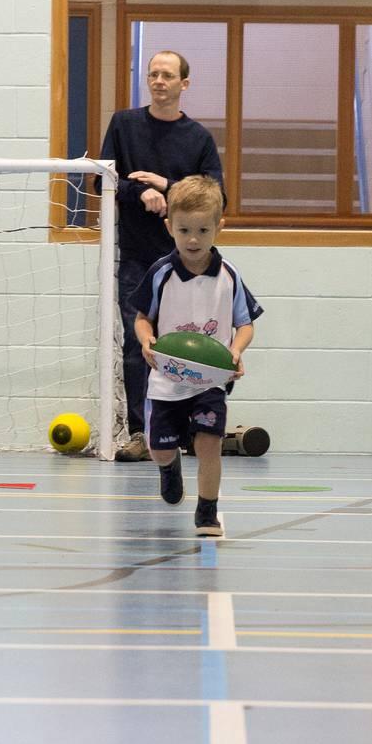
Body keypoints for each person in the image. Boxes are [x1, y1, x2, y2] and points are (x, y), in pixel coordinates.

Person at [99, 50, 224, 461]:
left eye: (167, 75)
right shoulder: (124, 125)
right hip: (136, 257)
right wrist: (141, 191)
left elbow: (218, 196)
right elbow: (105, 181)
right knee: (140, 346)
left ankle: (188, 427)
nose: (158, 81)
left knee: (191, 342)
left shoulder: (199, 138)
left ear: (183, 84)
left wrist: (168, 186)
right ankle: (141, 432)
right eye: (153, 74)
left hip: (187, 262)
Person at [132, 175, 261, 538]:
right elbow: (142, 318)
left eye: (203, 230)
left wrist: (235, 351)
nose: (193, 239)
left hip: (209, 381)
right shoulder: (161, 273)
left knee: (209, 445)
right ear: (169, 225)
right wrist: (146, 341)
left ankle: (207, 512)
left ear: (219, 227)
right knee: (159, 448)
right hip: (166, 378)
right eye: (184, 229)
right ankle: (168, 467)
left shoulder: (229, 276)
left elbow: (246, 325)